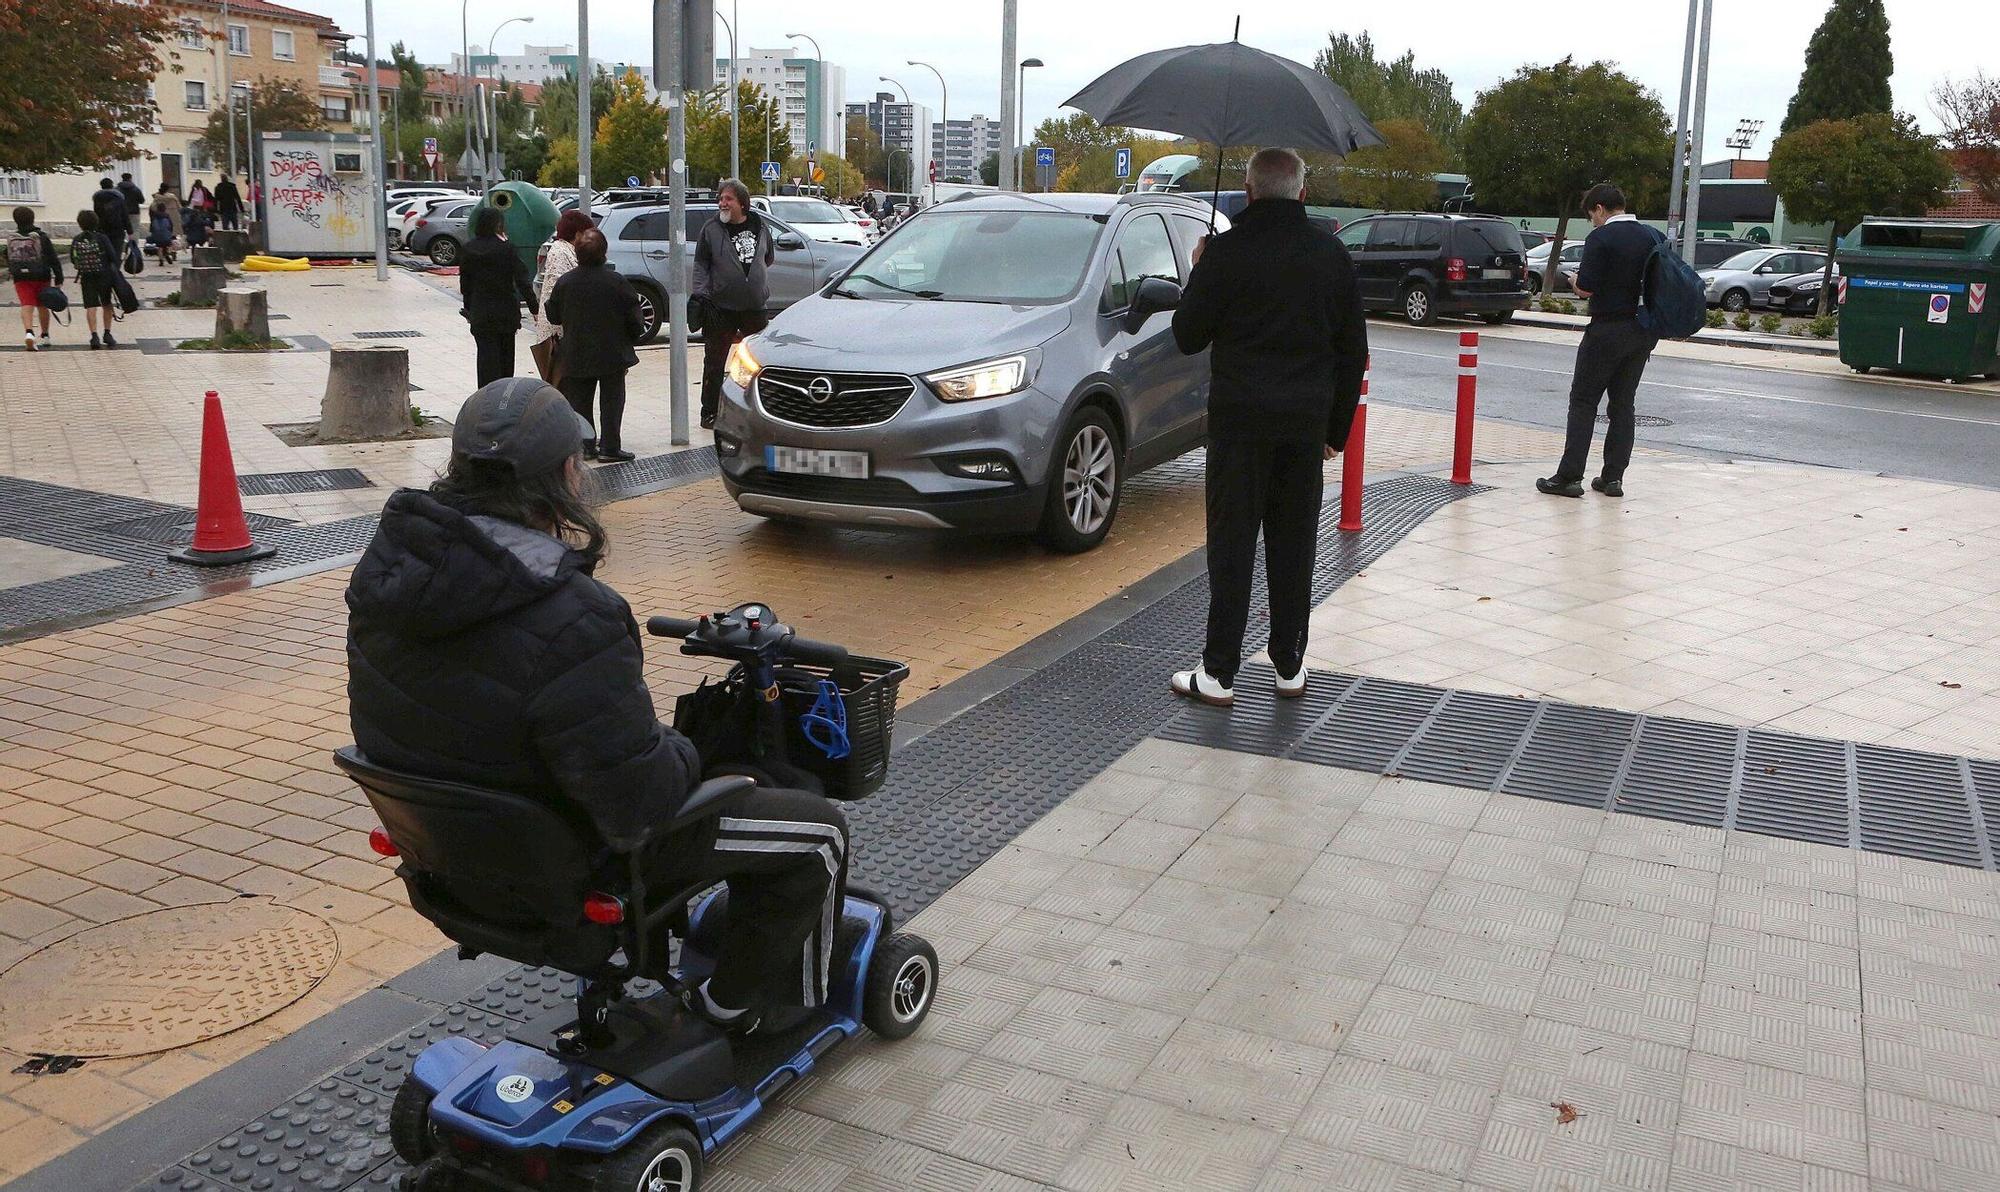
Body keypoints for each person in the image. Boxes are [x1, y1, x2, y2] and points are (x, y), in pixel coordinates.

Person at [345, 377, 852, 1031]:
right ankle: (744, 1007)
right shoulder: (576, 616)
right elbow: (641, 806)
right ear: (566, 474)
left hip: (461, 858)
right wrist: (692, 753)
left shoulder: (385, 580)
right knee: (816, 831)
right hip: (581, 861)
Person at [1167, 147, 1367, 707]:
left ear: (1249, 192)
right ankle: (1289, 664)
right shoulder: (1331, 255)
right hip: (1304, 426)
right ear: (1302, 193)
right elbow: (1353, 351)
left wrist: (1202, 268)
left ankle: (1220, 672)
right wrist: (1337, 428)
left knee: (1231, 545)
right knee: (1294, 542)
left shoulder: (1227, 254)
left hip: (1238, 425)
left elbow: (1188, 335)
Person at [1538, 183, 1659, 499]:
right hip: (1642, 332)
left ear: (1601, 209)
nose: (1592, 221)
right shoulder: (1652, 236)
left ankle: (1568, 477)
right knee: (1623, 404)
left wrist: (1576, 281)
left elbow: (1588, 288)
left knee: (1583, 402)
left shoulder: (1601, 238)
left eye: (1592, 214)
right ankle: (1612, 479)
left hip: (1606, 330)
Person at [546, 227, 643, 463]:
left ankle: (585, 445)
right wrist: (631, 338)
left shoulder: (566, 282)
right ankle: (610, 447)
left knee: (580, 401)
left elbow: (553, 315)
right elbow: (635, 319)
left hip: (577, 352)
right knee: (612, 401)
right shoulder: (617, 282)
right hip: (612, 353)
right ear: (605, 253)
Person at [692, 178, 774, 430]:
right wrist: (700, 296)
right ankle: (709, 411)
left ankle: (764, 408)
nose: (722, 203)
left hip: (754, 307)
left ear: (742, 203)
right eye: (721, 198)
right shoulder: (711, 229)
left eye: (728, 199)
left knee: (761, 361)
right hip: (720, 308)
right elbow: (701, 266)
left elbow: (768, 258)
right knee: (715, 362)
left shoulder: (760, 226)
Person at [458, 206, 537, 387]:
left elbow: (466, 286)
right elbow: (522, 281)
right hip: (506, 314)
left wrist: (469, 309)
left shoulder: (468, 249)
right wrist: (534, 307)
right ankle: (503, 400)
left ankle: (485, 399)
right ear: (498, 225)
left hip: (481, 314)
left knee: (485, 361)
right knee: (505, 361)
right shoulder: (507, 249)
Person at [530, 210, 590, 384]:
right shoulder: (560, 253)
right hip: (557, 336)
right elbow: (556, 292)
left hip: (560, 332)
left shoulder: (566, 250)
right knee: (562, 383)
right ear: (578, 233)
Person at [7, 206, 64, 351]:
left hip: (20, 277)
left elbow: (6, 255)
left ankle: (29, 332)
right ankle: (45, 335)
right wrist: (59, 277)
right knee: (42, 305)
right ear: (33, 219)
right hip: (41, 274)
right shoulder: (41, 237)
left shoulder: (14, 238)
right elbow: (53, 258)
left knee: (26, 304)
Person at [69, 209, 118, 349]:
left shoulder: (77, 239)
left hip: (86, 276)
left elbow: (73, 259)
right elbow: (112, 256)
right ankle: (107, 333)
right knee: (106, 303)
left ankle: (94, 335)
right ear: (96, 222)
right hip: (104, 275)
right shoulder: (102, 238)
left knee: (91, 306)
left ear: (80, 224)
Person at [92, 178, 132, 270]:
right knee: (116, 252)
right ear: (112, 185)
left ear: (101, 186)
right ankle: (115, 272)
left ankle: (105, 271)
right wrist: (129, 230)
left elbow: (96, 214)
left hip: (102, 228)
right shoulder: (119, 197)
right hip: (117, 228)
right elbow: (124, 215)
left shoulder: (97, 198)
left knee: (103, 251)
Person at [147, 196, 177, 265]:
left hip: (157, 234)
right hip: (166, 233)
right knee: (167, 245)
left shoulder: (154, 216)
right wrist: (171, 233)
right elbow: (170, 225)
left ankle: (161, 260)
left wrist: (152, 233)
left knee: (159, 247)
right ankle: (167, 254)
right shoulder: (167, 216)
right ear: (164, 209)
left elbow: (152, 226)